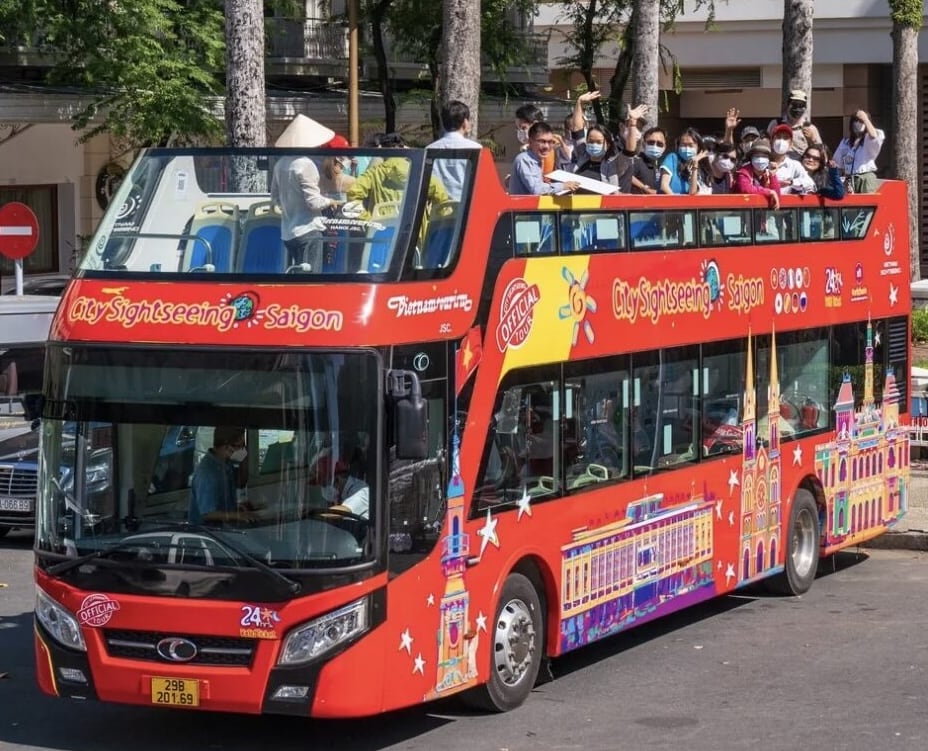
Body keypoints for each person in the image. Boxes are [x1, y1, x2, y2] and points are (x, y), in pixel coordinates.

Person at [270, 114, 343, 270]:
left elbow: (275, 197)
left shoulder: (280, 164)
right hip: (308, 230)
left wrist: (291, 205)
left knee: (297, 276)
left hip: (288, 232)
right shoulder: (305, 164)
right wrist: (330, 201)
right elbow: (313, 202)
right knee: (310, 278)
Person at [189, 426, 252, 524]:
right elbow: (207, 514)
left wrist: (236, 508)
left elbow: (241, 483)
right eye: (239, 446)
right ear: (226, 447)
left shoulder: (226, 464)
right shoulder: (207, 473)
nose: (242, 450)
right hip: (207, 531)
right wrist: (237, 516)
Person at [427, 100, 482, 201]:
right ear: (465, 122)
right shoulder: (476, 148)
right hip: (467, 206)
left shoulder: (429, 149)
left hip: (439, 206)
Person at [508, 122, 581, 195]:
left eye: (550, 142)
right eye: (542, 141)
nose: (546, 146)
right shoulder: (525, 160)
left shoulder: (536, 160)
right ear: (530, 142)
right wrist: (562, 186)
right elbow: (537, 190)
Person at [833, 109, 884, 194]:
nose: (858, 123)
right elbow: (837, 163)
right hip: (849, 179)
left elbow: (874, 136)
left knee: (867, 201)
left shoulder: (868, 139)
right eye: (856, 121)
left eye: (861, 121)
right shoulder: (845, 142)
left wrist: (865, 119)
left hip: (865, 178)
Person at [767, 89, 822, 160]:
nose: (797, 108)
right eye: (795, 104)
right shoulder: (775, 124)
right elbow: (766, 145)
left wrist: (812, 139)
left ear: (805, 107)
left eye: (801, 105)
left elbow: (821, 153)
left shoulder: (810, 128)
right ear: (788, 105)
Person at [659, 128, 709, 195]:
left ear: (698, 147)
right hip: (673, 200)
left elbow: (692, 192)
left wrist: (695, 165)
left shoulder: (701, 166)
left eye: (691, 145)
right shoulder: (673, 158)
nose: (687, 148)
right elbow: (664, 186)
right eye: (683, 145)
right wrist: (676, 200)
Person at [734, 137, 781, 208]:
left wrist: (772, 175)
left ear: (769, 160)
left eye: (764, 156)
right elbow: (745, 189)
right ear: (751, 158)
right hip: (741, 211)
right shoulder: (743, 172)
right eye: (756, 156)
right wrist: (769, 192)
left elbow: (777, 195)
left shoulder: (768, 174)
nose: (760, 159)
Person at [769, 123, 816, 194]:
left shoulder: (794, 165)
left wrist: (791, 182)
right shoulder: (762, 162)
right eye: (778, 137)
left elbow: (811, 184)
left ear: (791, 144)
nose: (781, 141)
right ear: (771, 141)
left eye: (785, 138)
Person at [631, 126, 668, 194]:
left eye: (659, 144)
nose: (655, 146)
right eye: (651, 142)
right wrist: (644, 188)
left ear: (664, 147)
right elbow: (627, 176)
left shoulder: (663, 166)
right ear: (643, 144)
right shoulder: (635, 161)